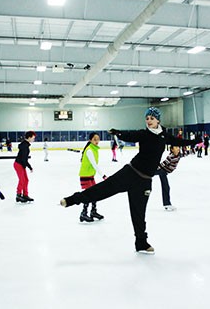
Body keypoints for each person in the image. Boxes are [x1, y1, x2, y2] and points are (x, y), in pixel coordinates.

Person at [60, 107, 200, 254]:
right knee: (103, 189)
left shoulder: (164, 136)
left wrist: (194, 141)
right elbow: (130, 135)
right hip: (130, 173)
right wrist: (118, 133)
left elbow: (179, 141)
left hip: (145, 181)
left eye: (152, 118)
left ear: (158, 120)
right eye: (147, 118)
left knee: (139, 214)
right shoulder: (143, 134)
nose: (149, 121)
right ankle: (72, 200)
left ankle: (141, 243)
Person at [78, 132, 107, 223]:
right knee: (88, 195)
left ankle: (93, 212)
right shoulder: (90, 150)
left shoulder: (94, 149)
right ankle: (83, 213)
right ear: (90, 140)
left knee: (95, 193)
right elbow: (94, 164)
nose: (97, 141)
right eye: (95, 139)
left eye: (98, 139)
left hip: (90, 175)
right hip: (85, 175)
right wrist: (103, 175)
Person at [155, 145, 181, 211]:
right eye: (176, 147)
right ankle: (167, 203)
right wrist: (154, 169)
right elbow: (163, 163)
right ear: (172, 149)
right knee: (166, 186)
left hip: (164, 172)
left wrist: (196, 149)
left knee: (166, 187)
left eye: (178, 147)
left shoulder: (179, 155)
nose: (178, 149)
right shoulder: (171, 156)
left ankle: (167, 204)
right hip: (161, 171)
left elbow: (187, 152)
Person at [14, 131, 35, 203]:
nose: (33, 139)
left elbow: (24, 159)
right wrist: (29, 167)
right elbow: (24, 159)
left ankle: (25, 195)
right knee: (22, 180)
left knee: (26, 180)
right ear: (29, 137)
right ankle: (18, 195)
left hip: (21, 164)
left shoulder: (25, 145)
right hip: (18, 164)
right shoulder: (25, 146)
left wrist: (27, 166)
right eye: (33, 138)